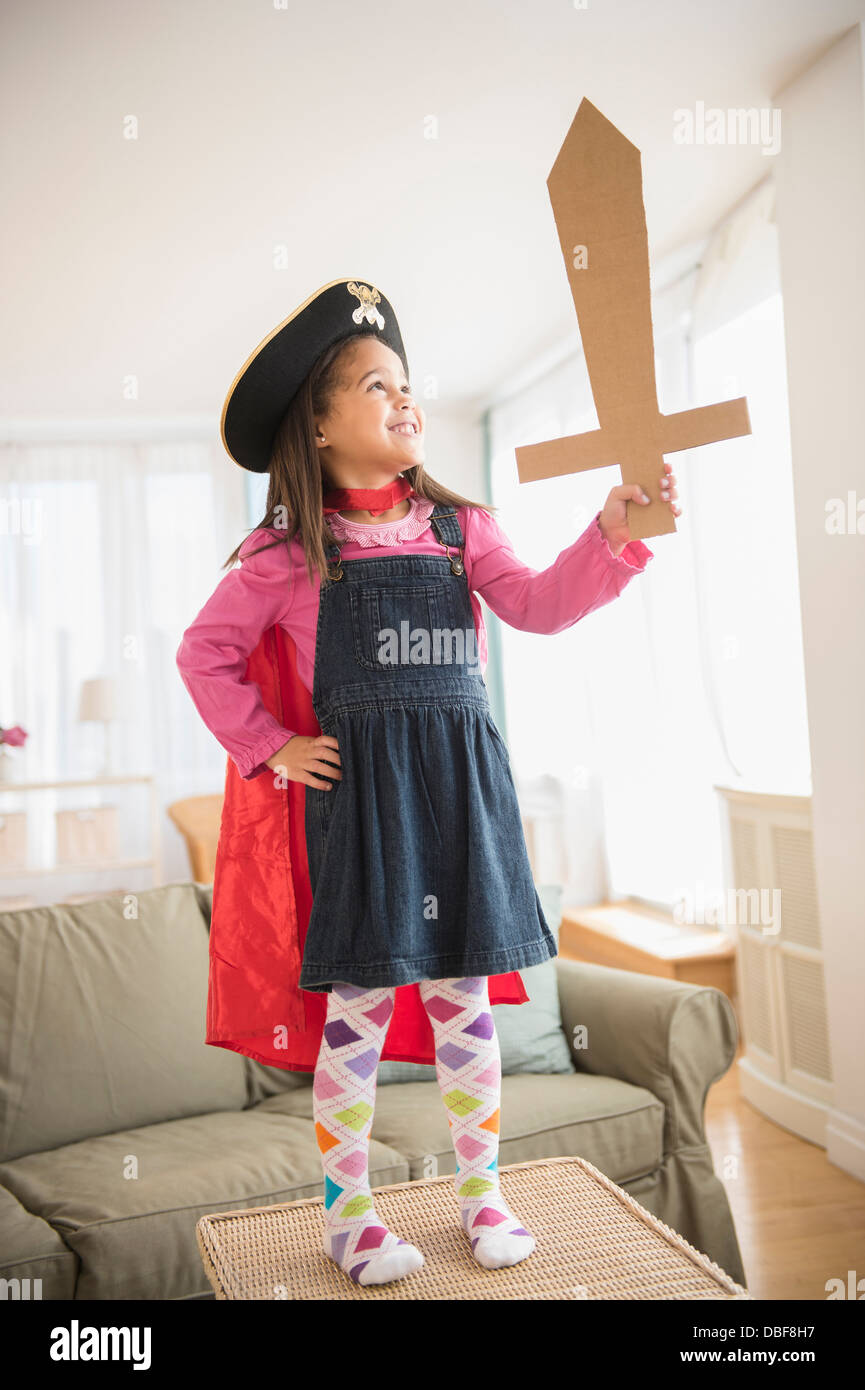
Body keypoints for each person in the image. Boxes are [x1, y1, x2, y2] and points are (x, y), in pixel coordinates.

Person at [176, 278, 679, 1287]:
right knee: (356, 1011)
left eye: (406, 384)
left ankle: (482, 1195)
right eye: (373, 385)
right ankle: (351, 1219)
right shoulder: (285, 554)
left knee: (466, 1003)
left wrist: (613, 533)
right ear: (316, 428)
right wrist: (273, 745)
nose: (403, 400)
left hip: (461, 797)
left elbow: (538, 604)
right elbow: (203, 656)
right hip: (361, 811)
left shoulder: (462, 530)